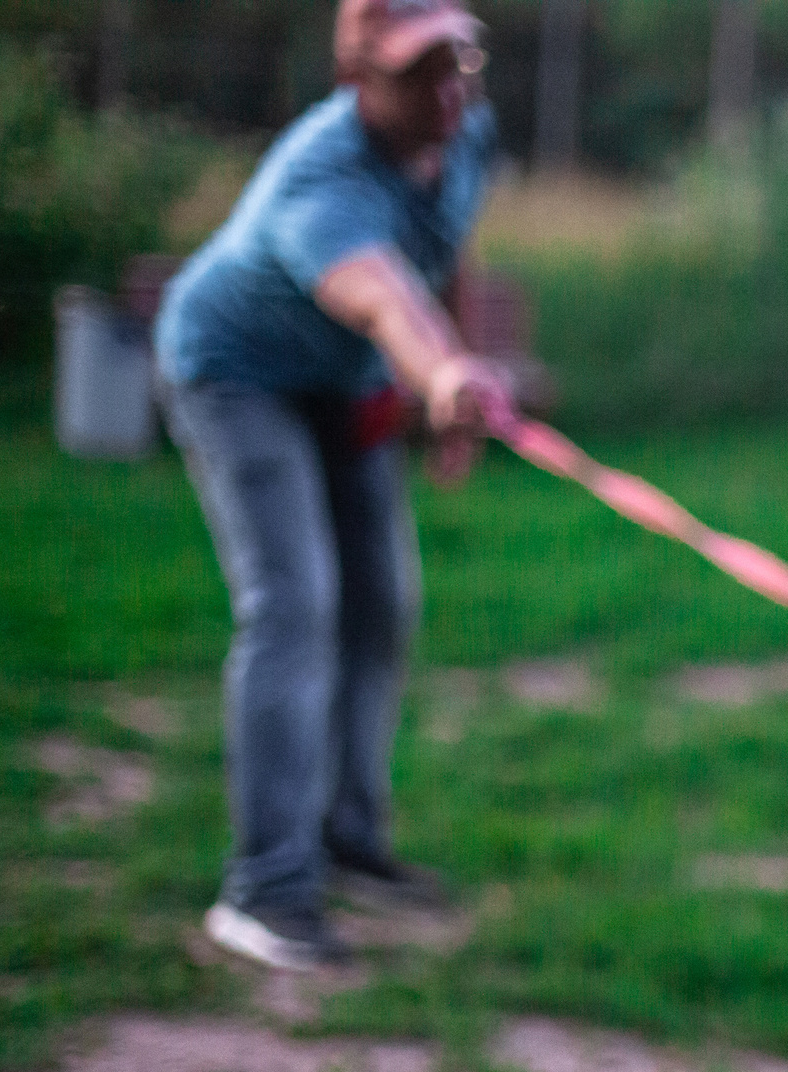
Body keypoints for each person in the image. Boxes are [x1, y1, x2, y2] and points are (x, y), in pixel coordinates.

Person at [155, 0, 513, 971]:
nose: (447, 92)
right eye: (417, 75)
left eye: (457, 65)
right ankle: (264, 891)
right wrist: (437, 373)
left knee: (381, 603)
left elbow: (444, 253)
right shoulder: (324, 179)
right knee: (293, 606)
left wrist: (458, 368)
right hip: (236, 374)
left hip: (342, 382)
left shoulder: (465, 129)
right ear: (359, 77)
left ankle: (349, 835)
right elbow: (378, 292)